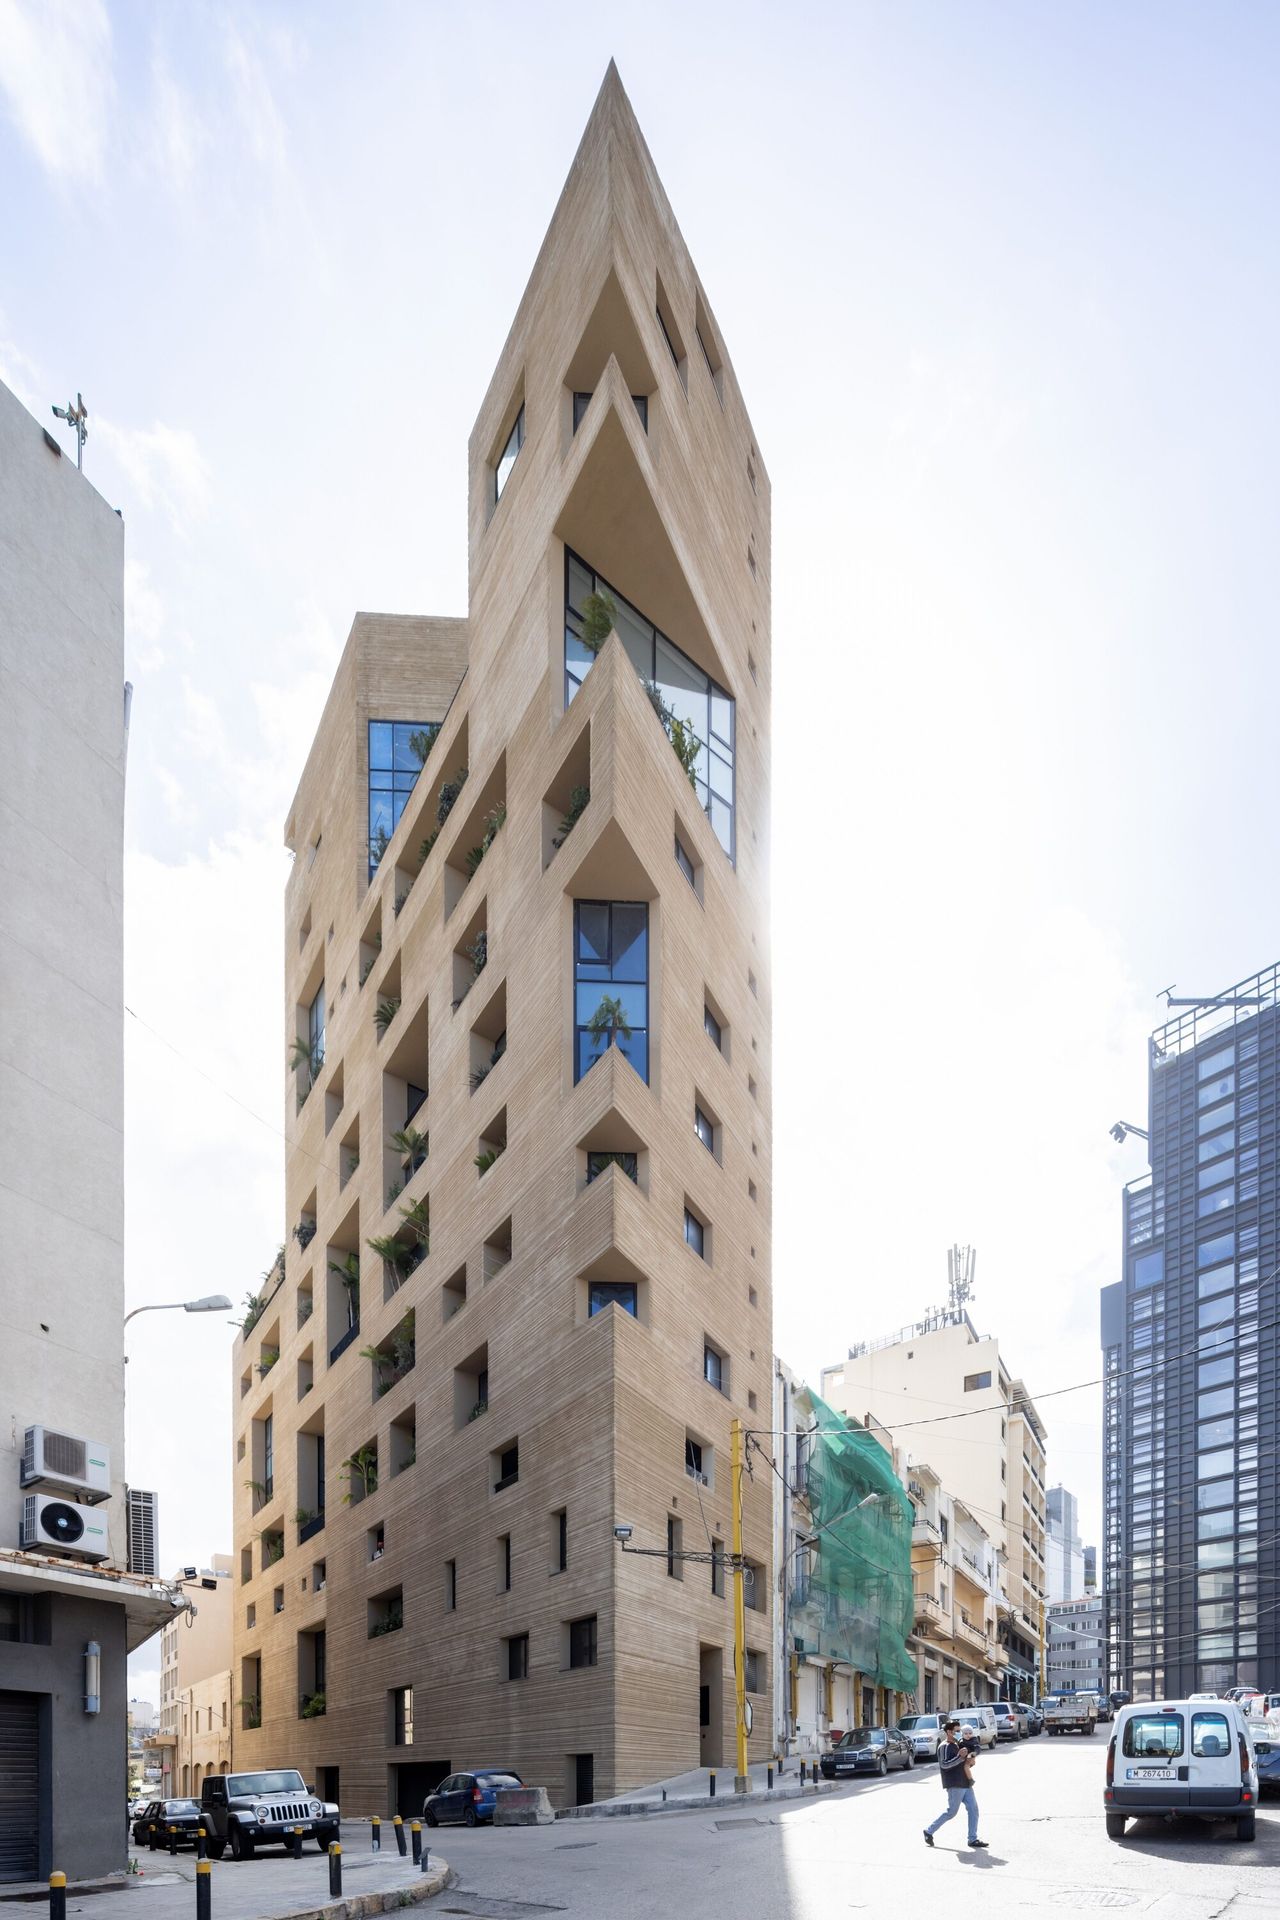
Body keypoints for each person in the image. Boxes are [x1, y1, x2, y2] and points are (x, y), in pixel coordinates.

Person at [923, 1717, 987, 1849]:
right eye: (956, 1731)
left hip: (965, 1782)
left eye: (959, 1731)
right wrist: (960, 1757)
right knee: (952, 1812)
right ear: (949, 1732)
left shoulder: (958, 1744)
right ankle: (929, 1831)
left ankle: (972, 1839)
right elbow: (944, 1765)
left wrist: (970, 1761)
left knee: (974, 1810)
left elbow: (964, 1761)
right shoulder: (944, 1746)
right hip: (954, 1784)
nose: (959, 1733)